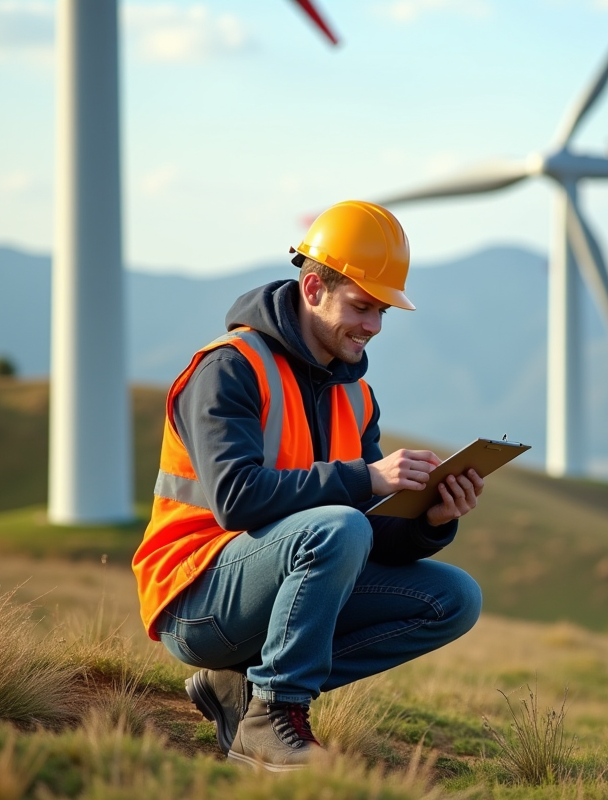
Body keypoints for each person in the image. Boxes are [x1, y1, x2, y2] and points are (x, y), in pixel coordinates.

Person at [132, 201, 484, 771]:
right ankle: (273, 716)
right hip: (195, 597)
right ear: (314, 287)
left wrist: (430, 521)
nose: (372, 326)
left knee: (454, 599)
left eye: (383, 313)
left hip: (277, 584)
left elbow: (363, 534)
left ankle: (243, 690)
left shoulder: (356, 395)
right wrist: (365, 477)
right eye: (362, 306)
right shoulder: (230, 368)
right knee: (336, 525)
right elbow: (236, 499)